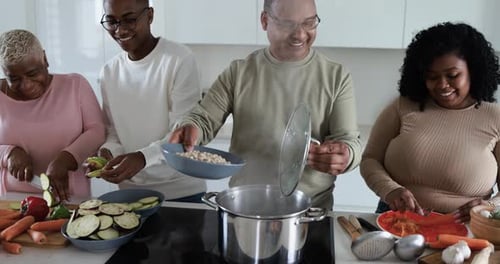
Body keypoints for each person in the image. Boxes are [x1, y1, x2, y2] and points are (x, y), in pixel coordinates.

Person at [169, 0, 361, 209]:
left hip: (309, 212)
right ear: (264, 20)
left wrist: (346, 155)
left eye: (309, 23)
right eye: (288, 25)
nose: (300, 34)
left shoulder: (336, 77)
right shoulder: (239, 73)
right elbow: (202, 118)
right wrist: (190, 127)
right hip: (245, 209)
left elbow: (349, 141)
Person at [360, 22, 500, 223]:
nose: (442, 85)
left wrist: (489, 206)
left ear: (473, 70)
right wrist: (390, 190)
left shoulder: (495, 118)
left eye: (452, 75)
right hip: (397, 222)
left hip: (467, 230)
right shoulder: (403, 106)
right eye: (432, 77)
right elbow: (370, 159)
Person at [96, 0, 206, 202]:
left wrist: (142, 158)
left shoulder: (179, 59)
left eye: (129, 19)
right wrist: (106, 153)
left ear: (150, 16)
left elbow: (183, 135)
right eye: (112, 21)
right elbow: (113, 132)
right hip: (130, 193)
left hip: (182, 191)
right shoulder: (108, 73)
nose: (119, 30)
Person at [0, 29, 105, 201]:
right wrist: (8, 153)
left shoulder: (75, 85)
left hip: (69, 197)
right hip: (11, 199)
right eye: (15, 79)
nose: (26, 86)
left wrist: (67, 158)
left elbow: (97, 131)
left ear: (45, 59)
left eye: (32, 73)